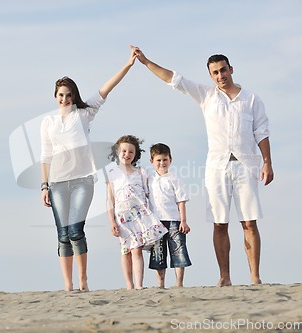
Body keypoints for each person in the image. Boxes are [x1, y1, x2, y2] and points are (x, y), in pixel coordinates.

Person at [132, 46, 274, 287]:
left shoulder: (251, 99)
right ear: (211, 76)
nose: (221, 76)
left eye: (224, 70)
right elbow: (173, 79)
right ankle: (225, 277)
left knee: (249, 222)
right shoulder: (206, 95)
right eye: (216, 72)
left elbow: (261, 131)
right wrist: (146, 62)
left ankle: (254, 277)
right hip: (217, 168)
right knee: (220, 223)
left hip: (246, 166)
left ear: (231, 69)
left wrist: (267, 162)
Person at [40, 49, 137, 292]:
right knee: (63, 234)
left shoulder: (84, 113)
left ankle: (83, 280)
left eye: (68, 95)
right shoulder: (48, 123)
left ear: (74, 96)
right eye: (60, 95)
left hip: (83, 180)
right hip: (58, 183)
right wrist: (44, 186)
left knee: (75, 231)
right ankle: (68, 284)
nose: (64, 98)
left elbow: (107, 88)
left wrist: (127, 64)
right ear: (55, 96)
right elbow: (45, 156)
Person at [106, 135, 168, 290]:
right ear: (117, 152)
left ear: (135, 154)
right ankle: (129, 284)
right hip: (122, 218)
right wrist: (112, 221)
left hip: (139, 216)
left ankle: (139, 285)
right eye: (124, 151)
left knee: (137, 248)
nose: (127, 154)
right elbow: (109, 200)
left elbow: (150, 194)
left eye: (131, 152)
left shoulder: (141, 172)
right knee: (125, 250)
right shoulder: (112, 174)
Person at [147, 143, 192, 288]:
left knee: (178, 251)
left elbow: (181, 201)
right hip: (156, 222)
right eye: (158, 160)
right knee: (159, 253)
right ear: (152, 162)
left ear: (170, 160)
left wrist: (183, 221)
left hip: (174, 221)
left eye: (165, 160)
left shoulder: (174, 179)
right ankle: (160, 284)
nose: (162, 163)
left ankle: (179, 283)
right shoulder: (149, 179)